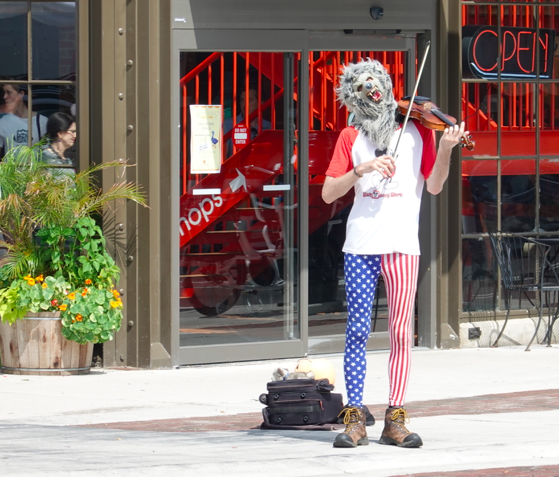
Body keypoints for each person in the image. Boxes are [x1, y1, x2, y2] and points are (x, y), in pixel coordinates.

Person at [322, 59, 466, 449]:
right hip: (360, 246)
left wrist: (447, 148)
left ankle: (395, 419)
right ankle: (355, 418)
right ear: (352, 95)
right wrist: (362, 169)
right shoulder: (350, 136)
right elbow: (328, 192)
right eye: (361, 85)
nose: (371, 89)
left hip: (403, 246)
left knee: (401, 332)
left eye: (376, 82)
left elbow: (434, 186)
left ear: (386, 85)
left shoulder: (419, 131)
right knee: (357, 330)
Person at [0, 83, 48, 155]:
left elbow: (47, 153)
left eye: (9, 92)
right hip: (11, 162)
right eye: (4, 93)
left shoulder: (42, 121)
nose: (5, 96)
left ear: (21, 94)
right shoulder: (3, 122)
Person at [223, 87, 271, 157]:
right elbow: (222, 159)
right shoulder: (228, 124)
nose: (244, 105)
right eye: (242, 100)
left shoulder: (269, 126)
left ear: (260, 103)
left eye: (250, 100)